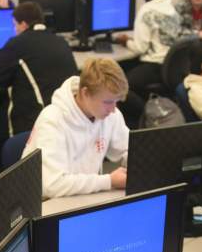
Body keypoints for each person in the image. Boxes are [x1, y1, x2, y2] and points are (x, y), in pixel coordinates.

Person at [24, 57, 129, 198]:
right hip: (43, 204)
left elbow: (127, 149)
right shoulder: (52, 120)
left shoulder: (109, 114)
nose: (113, 109)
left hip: (81, 196)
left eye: (116, 101)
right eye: (108, 102)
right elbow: (53, 186)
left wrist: (142, 162)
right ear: (85, 93)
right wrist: (109, 181)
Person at [0, 2, 79, 135]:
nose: (15, 29)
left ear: (23, 24)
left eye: (15, 25)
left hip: (37, 125)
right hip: (70, 121)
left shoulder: (17, 43)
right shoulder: (60, 41)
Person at [116, 0, 181, 126]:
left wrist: (125, 41)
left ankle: (148, 115)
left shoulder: (146, 11)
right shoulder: (171, 8)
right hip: (170, 66)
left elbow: (140, 48)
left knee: (121, 86)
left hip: (154, 65)